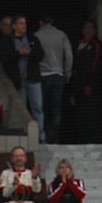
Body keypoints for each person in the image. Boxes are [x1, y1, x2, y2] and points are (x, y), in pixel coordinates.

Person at [35, 14, 73, 144]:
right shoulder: (61, 35)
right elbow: (68, 55)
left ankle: (44, 135)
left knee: (43, 107)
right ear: (52, 21)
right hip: (58, 74)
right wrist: (67, 73)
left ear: (40, 22)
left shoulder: (37, 36)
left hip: (43, 75)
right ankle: (55, 137)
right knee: (56, 108)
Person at [10, 15, 45, 142]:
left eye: (24, 23)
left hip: (33, 79)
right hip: (19, 80)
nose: (23, 26)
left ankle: (40, 135)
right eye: (20, 23)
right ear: (14, 26)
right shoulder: (9, 40)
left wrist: (29, 53)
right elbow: (6, 57)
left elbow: (41, 54)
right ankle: (24, 135)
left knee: (37, 107)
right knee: (21, 109)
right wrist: (18, 53)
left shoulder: (32, 38)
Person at [69, 20, 102, 143]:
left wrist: (89, 83)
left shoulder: (96, 45)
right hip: (77, 85)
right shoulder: (78, 44)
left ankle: (91, 139)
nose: (88, 31)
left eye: (91, 28)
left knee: (89, 113)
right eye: (86, 28)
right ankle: (80, 139)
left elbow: (95, 65)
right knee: (79, 113)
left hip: (89, 86)